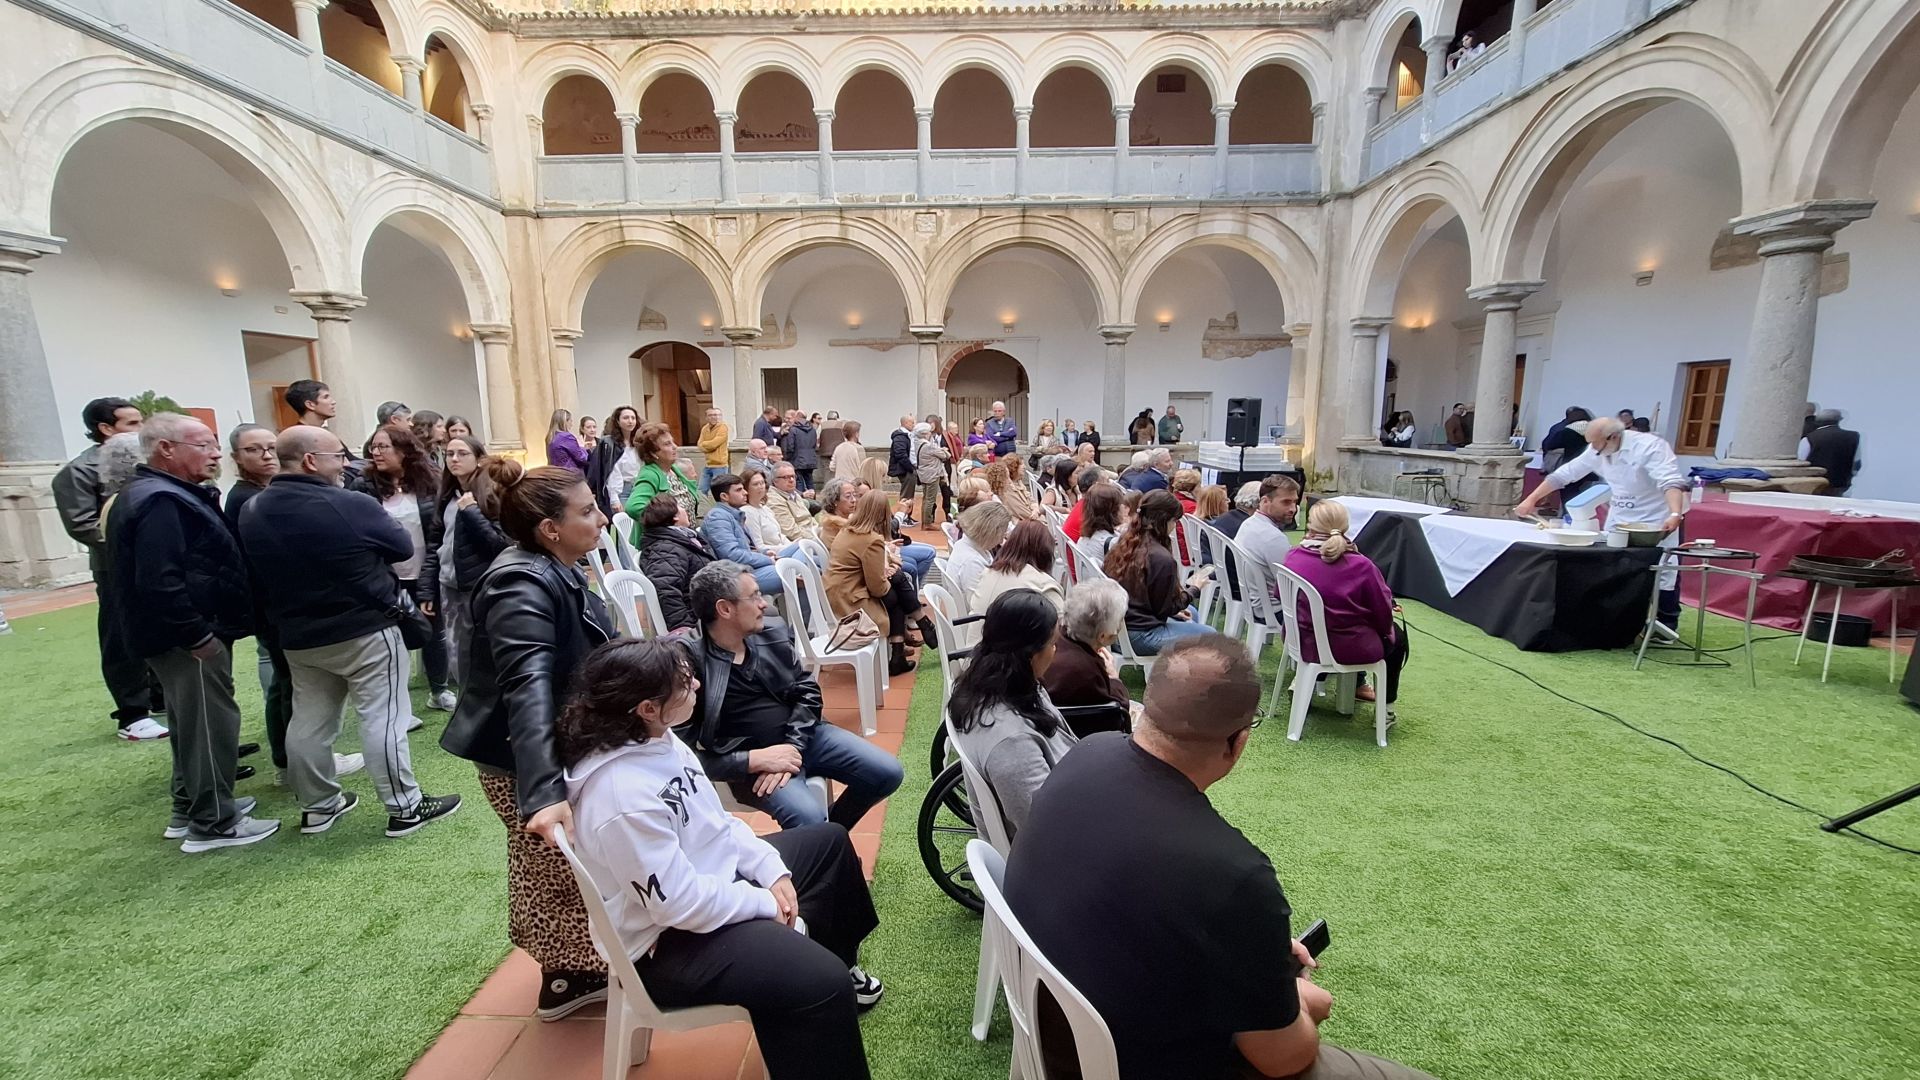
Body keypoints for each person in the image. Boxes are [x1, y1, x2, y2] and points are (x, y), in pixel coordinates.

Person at [1006, 636, 1436, 1080]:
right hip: (1134, 1062)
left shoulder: (1085, 753)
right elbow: (1282, 1058)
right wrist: (1302, 1004)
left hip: (1051, 1030)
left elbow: (1133, 897)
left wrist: (1253, 951)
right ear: (1238, 742)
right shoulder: (1233, 875)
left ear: (1147, 707)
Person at [561, 640, 883, 1080]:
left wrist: (769, 869)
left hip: (710, 885)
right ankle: (819, 987)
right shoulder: (621, 798)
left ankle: (836, 965)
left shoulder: (659, 739)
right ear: (648, 709)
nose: (697, 684)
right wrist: (765, 903)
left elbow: (718, 823)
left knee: (829, 842)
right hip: (666, 943)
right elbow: (677, 905)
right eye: (683, 683)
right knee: (819, 982)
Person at [442, 459, 614, 1020]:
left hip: (539, 750)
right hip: (520, 759)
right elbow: (526, 685)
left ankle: (573, 970)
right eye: (588, 511)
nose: (602, 519)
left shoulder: (552, 566)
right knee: (557, 868)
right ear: (550, 528)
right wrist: (542, 792)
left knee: (547, 864)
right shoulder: (520, 581)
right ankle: (571, 976)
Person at [241, 426, 462, 840]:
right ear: (310, 461)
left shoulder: (253, 509)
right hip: (365, 628)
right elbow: (401, 547)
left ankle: (318, 807)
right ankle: (406, 807)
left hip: (298, 635)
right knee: (384, 718)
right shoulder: (348, 503)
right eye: (337, 457)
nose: (345, 465)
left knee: (308, 723)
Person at [108, 414, 274, 851]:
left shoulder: (161, 493)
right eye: (204, 445)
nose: (216, 454)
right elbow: (159, 580)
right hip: (189, 638)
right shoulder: (161, 500)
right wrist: (197, 635)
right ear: (166, 449)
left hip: (183, 634)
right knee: (208, 724)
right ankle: (214, 822)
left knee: (190, 722)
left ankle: (190, 807)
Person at [676, 562, 905, 827]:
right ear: (725, 609)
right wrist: (750, 761)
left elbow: (807, 690)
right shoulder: (688, 661)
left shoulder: (771, 629)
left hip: (805, 735)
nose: (763, 604)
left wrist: (793, 747)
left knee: (888, 773)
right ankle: (821, 841)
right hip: (753, 762)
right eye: (754, 596)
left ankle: (829, 839)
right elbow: (681, 753)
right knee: (808, 818)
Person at [53, 396, 165, 739]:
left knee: (164, 626)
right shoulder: (78, 471)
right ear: (105, 428)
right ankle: (132, 713)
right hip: (115, 566)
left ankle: (161, 695)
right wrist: (134, 538)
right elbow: (82, 524)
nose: (141, 428)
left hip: (157, 561)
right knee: (121, 634)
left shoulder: (148, 461)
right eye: (132, 423)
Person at [1514, 416, 1689, 627]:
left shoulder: (1650, 447)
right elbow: (1565, 474)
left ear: (1613, 437)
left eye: (1597, 444)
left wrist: (1675, 513)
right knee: (1617, 564)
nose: (1594, 449)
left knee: (1663, 568)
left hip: (1657, 514)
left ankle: (1666, 621)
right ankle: (1620, 619)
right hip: (1621, 513)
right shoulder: (1597, 449)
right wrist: (1531, 499)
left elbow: (1670, 481)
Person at [949, 589, 1077, 837]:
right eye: (1053, 644)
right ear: (1030, 655)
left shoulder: (983, 687)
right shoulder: (1011, 743)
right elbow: (1045, 828)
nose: (1055, 651)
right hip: (1055, 845)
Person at [360, 425, 453, 711]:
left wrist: (429, 580)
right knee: (391, 638)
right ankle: (397, 702)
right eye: (374, 447)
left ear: (403, 450)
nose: (376, 453)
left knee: (433, 633)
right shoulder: (364, 486)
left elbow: (437, 533)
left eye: (383, 447)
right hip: (385, 577)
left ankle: (439, 690)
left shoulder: (429, 482)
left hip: (423, 571)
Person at [1283, 501, 1407, 705]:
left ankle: (1309, 680)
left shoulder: (1293, 556)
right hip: (1348, 646)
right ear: (1346, 526)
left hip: (1299, 640)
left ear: (1311, 525)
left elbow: (1280, 595)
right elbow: (1382, 612)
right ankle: (1386, 708)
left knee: (1330, 629)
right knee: (1397, 638)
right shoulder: (1361, 565)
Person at [224, 423, 296, 774]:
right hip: (272, 605)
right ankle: (290, 760)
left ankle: (288, 757)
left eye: (271, 447)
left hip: (276, 604)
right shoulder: (245, 499)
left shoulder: (263, 492)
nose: (267, 455)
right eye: (254, 449)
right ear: (237, 457)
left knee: (285, 683)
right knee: (288, 684)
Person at [827, 490, 929, 674]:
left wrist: (889, 570)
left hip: (840, 591)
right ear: (883, 514)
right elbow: (877, 588)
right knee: (898, 587)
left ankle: (901, 651)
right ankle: (921, 623)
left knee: (898, 583)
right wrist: (891, 572)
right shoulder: (871, 539)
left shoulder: (847, 530)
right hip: (852, 599)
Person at [1107, 489, 1215, 655]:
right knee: (1213, 636)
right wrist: (1194, 589)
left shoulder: (1125, 542)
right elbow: (1165, 609)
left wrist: (1177, 609)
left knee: (1191, 613)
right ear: (1163, 521)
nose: (1175, 526)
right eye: (1174, 521)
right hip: (1139, 636)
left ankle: (1181, 666)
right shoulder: (1161, 558)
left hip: (1116, 628)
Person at [1044, 578, 1137, 730]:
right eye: (1121, 620)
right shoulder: (1085, 670)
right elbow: (1117, 711)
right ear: (1103, 636)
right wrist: (1114, 679)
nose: (1121, 625)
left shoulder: (1056, 637)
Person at [437, 435, 488, 687]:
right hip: (448, 582)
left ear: (478, 459)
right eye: (449, 454)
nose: (454, 459)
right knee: (453, 646)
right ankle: (464, 696)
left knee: (479, 647)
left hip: (477, 582)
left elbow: (497, 541)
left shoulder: (488, 494)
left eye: (462, 453)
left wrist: (471, 511)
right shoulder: (446, 495)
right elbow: (435, 540)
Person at [637, 493, 716, 633]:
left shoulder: (684, 538)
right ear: (675, 517)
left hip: (709, 607)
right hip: (699, 619)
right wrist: (685, 629)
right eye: (680, 506)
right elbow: (666, 590)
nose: (685, 509)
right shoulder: (665, 549)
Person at [701, 473, 789, 599]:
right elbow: (731, 555)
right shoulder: (718, 517)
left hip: (748, 569)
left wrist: (764, 553)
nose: (745, 493)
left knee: (802, 555)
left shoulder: (733, 514)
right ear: (724, 496)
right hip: (735, 577)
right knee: (796, 570)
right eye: (739, 490)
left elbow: (745, 548)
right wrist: (766, 559)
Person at [622, 422, 701, 547]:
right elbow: (633, 507)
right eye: (667, 444)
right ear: (653, 453)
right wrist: (669, 519)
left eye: (673, 442)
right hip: (662, 547)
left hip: (682, 541)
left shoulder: (673, 470)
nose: (675, 447)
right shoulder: (649, 474)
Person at [971, 520, 1065, 615]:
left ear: (1010, 544)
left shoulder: (987, 573)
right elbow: (1065, 621)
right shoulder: (1044, 586)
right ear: (1045, 553)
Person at [947, 499, 1012, 612]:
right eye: (1002, 534)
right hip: (975, 616)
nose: (1002, 540)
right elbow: (978, 606)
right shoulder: (971, 561)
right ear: (990, 532)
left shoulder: (966, 545)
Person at [1236, 474, 1300, 573]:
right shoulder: (1274, 538)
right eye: (1286, 502)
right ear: (1265, 501)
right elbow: (1288, 581)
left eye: (1295, 502)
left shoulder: (1248, 523)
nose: (1293, 509)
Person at [1799, 408, 1862, 496]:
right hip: (1840, 484)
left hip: (1814, 484)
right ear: (1839, 420)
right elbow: (1857, 463)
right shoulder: (1853, 436)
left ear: (1817, 421)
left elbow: (1801, 461)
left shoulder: (1809, 438)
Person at [600, 404, 644, 509]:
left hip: (640, 486)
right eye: (626, 418)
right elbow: (613, 472)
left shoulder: (640, 442)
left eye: (633, 418)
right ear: (618, 421)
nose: (630, 421)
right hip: (623, 490)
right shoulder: (612, 444)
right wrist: (614, 497)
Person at [1074, 482, 1126, 568]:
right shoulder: (1112, 543)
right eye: (1120, 505)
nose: (1123, 507)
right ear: (1113, 511)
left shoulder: (1084, 537)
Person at [768, 462, 821, 542]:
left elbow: (809, 518)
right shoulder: (774, 500)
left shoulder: (792, 493)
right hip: (802, 542)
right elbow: (791, 532)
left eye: (793, 476)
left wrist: (820, 532)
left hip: (812, 534)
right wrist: (817, 539)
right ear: (775, 481)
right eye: (786, 477)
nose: (791, 480)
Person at [914, 421, 950, 527]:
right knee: (930, 500)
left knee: (925, 498)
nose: (931, 433)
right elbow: (945, 456)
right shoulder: (929, 446)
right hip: (932, 474)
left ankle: (925, 521)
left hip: (924, 473)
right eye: (929, 432)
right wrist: (943, 450)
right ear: (925, 434)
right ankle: (927, 523)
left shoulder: (917, 443)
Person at [1060, 463, 1107, 540]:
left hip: (1074, 544)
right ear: (1097, 485)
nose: (1111, 484)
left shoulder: (1084, 502)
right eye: (1107, 481)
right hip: (1079, 546)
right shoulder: (1093, 506)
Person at [886, 415, 918, 525]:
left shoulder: (907, 435)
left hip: (908, 468)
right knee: (906, 494)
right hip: (905, 469)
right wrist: (910, 467)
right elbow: (900, 454)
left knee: (909, 494)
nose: (913, 425)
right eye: (911, 423)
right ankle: (903, 516)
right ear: (905, 423)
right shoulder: (900, 437)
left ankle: (907, 516)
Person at [780, 410, 819, 491]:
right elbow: (814, 445)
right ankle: (812, 496)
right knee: (810, 481)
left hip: (797, 459)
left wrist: (787, 458)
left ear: (797, 417)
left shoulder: (793, 429)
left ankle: (800, 497)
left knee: (798, 481)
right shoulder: (812, 429)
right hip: (810, 459)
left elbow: (790, 446)